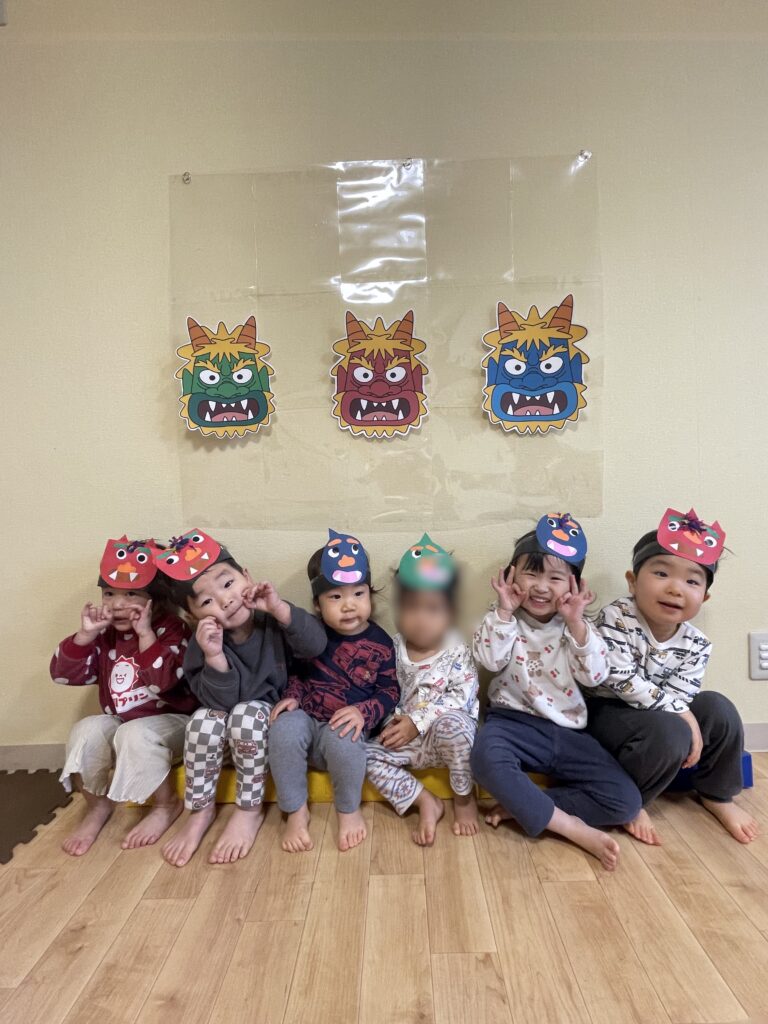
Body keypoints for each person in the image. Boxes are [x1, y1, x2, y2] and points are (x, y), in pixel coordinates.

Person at [470, 514, 642, 870]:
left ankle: (529, 805)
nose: (541, 587)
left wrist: (577, 623)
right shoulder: (501, 620)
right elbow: (488, 659)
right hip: (511, 723)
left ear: (573, 584)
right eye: (531, 574)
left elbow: (595, 676)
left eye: (555, 578)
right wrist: (504, 611)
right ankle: (568, 826)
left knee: (626, 802)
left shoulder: (579, 627)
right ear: (511, 576)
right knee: (484, 757)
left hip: (567, 731)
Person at [588, 507, 759, 845]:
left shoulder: (696, 643)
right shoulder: (616, 617)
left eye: (692, 581)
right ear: (633, 581)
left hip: (658, 716)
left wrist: (683, 713)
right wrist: (681, 715)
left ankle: (717, 794)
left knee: (719, 708)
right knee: (672, 731)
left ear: (703, 597)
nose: (675, 588)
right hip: (605, 710)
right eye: (661, 573)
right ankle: (631, 798)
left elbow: (682, 695)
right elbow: (617, 679)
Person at [157, 529, 326, 867]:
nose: (224, 600)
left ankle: (249, 809)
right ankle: (200, 811)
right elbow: (217, 703)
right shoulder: (203, 644)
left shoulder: (271, 621)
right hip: (224, 734)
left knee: (247, 714)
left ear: (246, 577)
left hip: (267, 727)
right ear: (192, 616)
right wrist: (214, 656)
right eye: (207, 601)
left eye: (228, 583)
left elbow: (316, 645)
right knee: (201, 721)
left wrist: (279, 608)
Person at [51, 536, 196, 855]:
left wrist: (145, 635)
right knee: (86, 729)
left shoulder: (172, 629)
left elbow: (165, 682)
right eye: (109, 593)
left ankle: (166, 805)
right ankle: (97, 805)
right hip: (122, 724)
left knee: (135, 733)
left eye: (131, 594)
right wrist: (85, 635)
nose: (117, 604)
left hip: (174, 724)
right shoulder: (105, 635)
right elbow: (65, 675)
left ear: (156, 600)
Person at [269, 529, 398, 853]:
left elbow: (390, 691)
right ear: (317, 604)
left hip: (343, 730)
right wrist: (292, 695)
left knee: (345, 741)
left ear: (370, 594)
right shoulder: (312, 636)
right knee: (282, 729)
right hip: (307, 719)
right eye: (335, 597)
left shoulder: (381, 643)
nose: (349, 605)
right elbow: (298, 672)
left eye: (358, 594)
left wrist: (364, 712)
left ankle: (348, 810)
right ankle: (295, 811)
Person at [366, 533, 479, 845]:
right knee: (364, 756)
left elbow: (462, 698)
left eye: (433, 609)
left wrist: (419, 721)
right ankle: (424, 800)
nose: (421, 619)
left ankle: (464, 798)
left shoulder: (456, 649)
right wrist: (393, 723)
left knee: (456, 729)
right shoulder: (392, 647)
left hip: (446, 736)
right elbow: (385, 690)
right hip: (408, 740)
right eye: (411, 608)